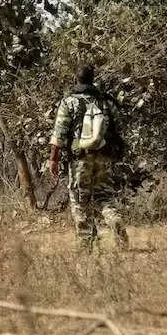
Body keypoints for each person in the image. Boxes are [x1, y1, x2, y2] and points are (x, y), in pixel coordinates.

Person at [49, 65, 128, 251]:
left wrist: (54, 159)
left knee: (78, 200)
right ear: (93, 79)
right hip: (103, 158)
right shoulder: (105, 101)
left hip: (80, 160)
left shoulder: (68, 102)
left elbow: (59, 133)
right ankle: (115, 219)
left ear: (76, 79)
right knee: (104, 196)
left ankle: (86, 243)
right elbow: (119, 126)